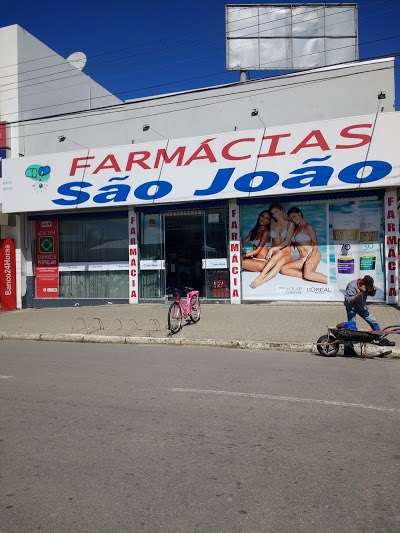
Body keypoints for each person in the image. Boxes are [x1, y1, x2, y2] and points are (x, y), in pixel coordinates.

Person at [250, 204, 295, 288]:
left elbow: (287, 241)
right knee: (279, 262)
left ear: (281, 210)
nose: (275, 215)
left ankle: (260, 279)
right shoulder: (272, 224)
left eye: (276, 212)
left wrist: (272, 249)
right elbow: (261, 227)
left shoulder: (290, 224)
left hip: (286, 253)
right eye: (273, 213)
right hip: (275, 253)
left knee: (280, 257)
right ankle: (261, 278)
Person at [279, 207, 327, 284]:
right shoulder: (296, 229)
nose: (293, 219)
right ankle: (306, 275)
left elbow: (315, 243)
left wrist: (311, 258)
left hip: (312, 254)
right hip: (303, 258)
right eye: (291, 218)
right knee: (283, 269)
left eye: (294, 216)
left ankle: (330, 281)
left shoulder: (307, 226)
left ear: (299, 213)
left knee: (308, 275)